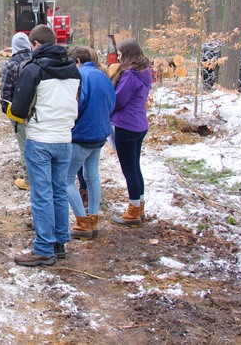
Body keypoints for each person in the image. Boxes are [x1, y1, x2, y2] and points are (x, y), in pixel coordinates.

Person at [9, 25, 80, 266]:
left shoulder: (33, 70)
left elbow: (18, 109)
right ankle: (59, 243)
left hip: (39, 139)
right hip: (65, 138)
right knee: (59, 191)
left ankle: (43, 248)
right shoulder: (73, 70)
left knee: (42, 195)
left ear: (36, 44)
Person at [64, 46, 115, 240]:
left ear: (77, 61)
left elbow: (77, 104)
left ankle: (82, 222)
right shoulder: (103, 75)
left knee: (66, 179)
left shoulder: (80, 76)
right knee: (91, 175)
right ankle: (93, 218)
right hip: (100, 134)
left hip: (82, 135)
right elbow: (112, 102)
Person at [109, 38, 152, 228]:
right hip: (139, 124)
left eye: (120, 55)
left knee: (129, 170)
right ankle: (139, 205)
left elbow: (119, 100)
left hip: (126, 126)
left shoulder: (130, 75)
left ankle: (133, 210)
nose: (118, 58)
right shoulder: (144, 71)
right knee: (135, 167)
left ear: (127, 54)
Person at [0, 32, 33, 191]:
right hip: (38, 111)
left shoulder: (11, 64)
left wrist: (6, 111)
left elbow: (5, 91)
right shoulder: (37, 60)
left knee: (24, 145)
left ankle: (28, 180)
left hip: (19, 112)